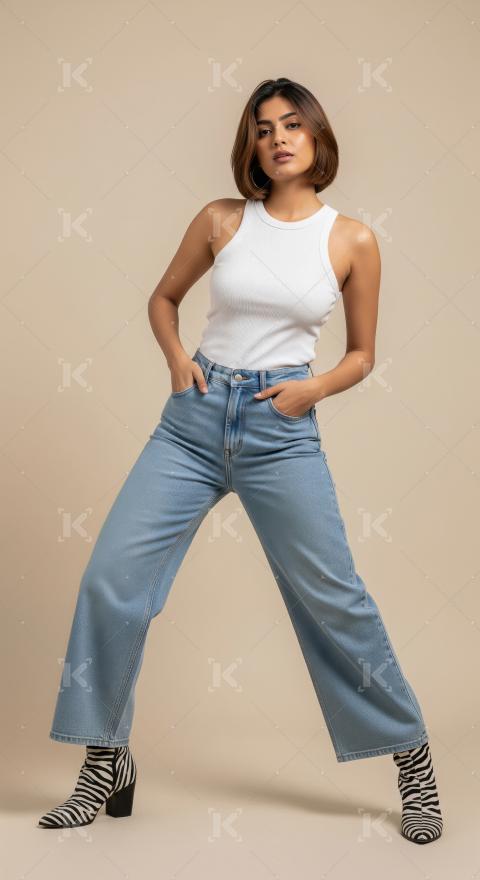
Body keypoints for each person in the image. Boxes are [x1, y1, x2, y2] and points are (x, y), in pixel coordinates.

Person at [38, 77, 443, 844]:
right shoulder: (222, 220)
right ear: (250, 145)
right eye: (263, 129)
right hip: (193, 421)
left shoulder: (352, 239)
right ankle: (105, 761)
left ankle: (413, 759)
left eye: (294, 124)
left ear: (318, 137)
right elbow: (164, 299)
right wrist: (174, 362)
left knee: (336, 599)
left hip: (279, 428)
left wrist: (311, 389)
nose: (279, 138)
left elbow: (361, 355)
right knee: (112, 582)